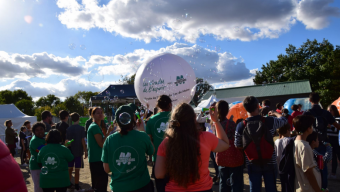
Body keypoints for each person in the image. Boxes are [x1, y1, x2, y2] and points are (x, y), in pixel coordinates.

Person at [155, 103, 230, 191]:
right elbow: (225, 144)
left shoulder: (166, 143)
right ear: (194, 119)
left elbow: (159, 174)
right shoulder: (206, 137)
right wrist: (216, 121)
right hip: (203, 189)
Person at [235, 96, 287, 192]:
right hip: (269, 160)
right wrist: (275, 112)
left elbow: (238, 145)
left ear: (245, 108)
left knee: (254, 189)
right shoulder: (269, 121)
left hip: (251, 161)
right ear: (258, 106)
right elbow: (284, 120)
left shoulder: (241, 125)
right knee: (271, 188)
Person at [102, 105, 154, 192]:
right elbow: (151, 151)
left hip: (119, 187)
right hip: (141, 185)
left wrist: (122, 167)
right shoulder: (142, 136)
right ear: (134, 118)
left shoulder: (109, 140)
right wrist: (142, 131)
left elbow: (107, 169)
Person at [303, 93, 340, 187]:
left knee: (310, 166)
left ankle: (313, 186)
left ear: (310, 100)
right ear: (319, 100)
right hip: (323, 142)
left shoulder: (307, 112)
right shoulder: (326, 113)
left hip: (310, 143)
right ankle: (323, 188)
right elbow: (337, 126)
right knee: (322, 165)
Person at [215, 100, 244, 192]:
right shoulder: (231, 124)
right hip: (233, 156)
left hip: (221, 155)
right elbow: (236, 139)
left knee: (223, 181)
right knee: (235, 181)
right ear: (227, 110)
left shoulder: (215, 124)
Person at [146, 95, 172, 192]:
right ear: (170, 104)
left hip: (158, 158)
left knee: (160, 187)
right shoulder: (176, 117)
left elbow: (149, 141)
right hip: (175, 158)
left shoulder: (151, 120)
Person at [87, 107, 113, 192]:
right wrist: (108, 132)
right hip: (97, 160)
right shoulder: (94, 127)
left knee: (99, 186)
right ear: (92, 115)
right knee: (100, 186)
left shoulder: (97, 126)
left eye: (101, 112)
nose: (100, 114)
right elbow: (101, 144)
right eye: (98, 113)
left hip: (97, 159)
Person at [293, 115, 322, 192]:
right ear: (308, 128)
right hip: (307, 188)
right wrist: (318, 190)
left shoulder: (295, 142)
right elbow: (309, 173)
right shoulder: (305, 146)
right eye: (311, 126)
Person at [66, 112, 87, 191]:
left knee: (70, 169)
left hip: (70, 152)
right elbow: (83, 141)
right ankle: (77, 187)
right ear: (78, 119)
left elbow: (67, 141)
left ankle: (68, 187)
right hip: (78, 152)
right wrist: (85, 151)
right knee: (77, 170)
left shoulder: (68, 129)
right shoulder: (81, 128)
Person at [30, 122, 47, 192]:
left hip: (44, 165)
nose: (40, 131)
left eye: (41, 129)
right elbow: (43, 150)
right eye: (37, 130)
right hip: (36, 166)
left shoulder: (45, 136)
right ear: (34, 132)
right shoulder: (34, 141)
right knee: (39, 187)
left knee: (46, 186)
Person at [327, 105, 340, 179]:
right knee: (333, 158)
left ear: (334, 111)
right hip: (330, 140)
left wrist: (330, 125)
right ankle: (333, 173)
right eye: (328, 111)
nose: (329, 112)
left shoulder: (337, 118)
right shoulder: (327, 119)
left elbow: (336, 130)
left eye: (330, 110)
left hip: (336, 140)